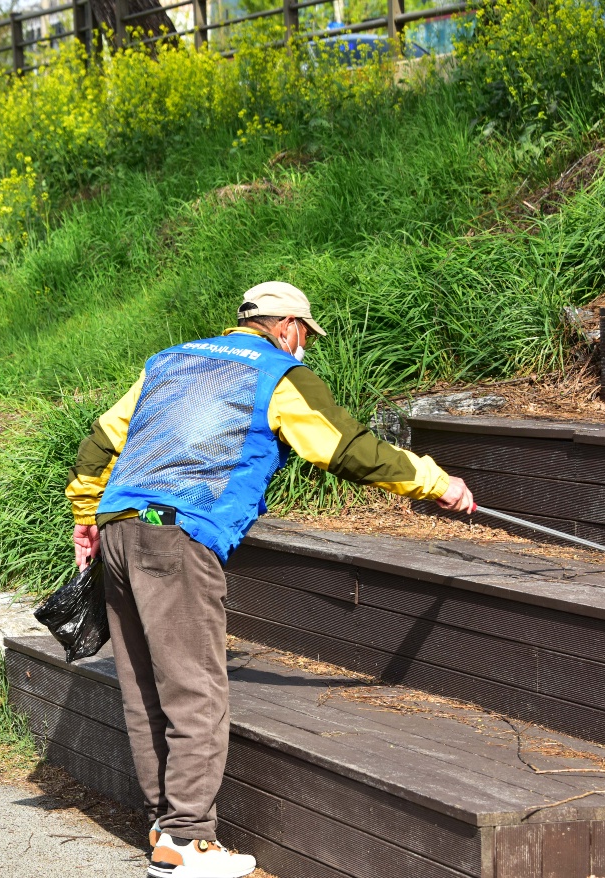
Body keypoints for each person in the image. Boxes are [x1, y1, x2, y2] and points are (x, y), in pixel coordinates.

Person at [65, 281, 476, 878]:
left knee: (145, 688)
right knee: (196, 689)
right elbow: (346, 448)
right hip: (178, 535)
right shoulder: (278, 373)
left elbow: (101, 443)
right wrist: (436, 482)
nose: (305, 345)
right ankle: (187, 841)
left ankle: (163, 826)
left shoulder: (169, 362)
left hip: (121, 527)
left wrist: (87, 517)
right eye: (305, 334)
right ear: (287, 327)